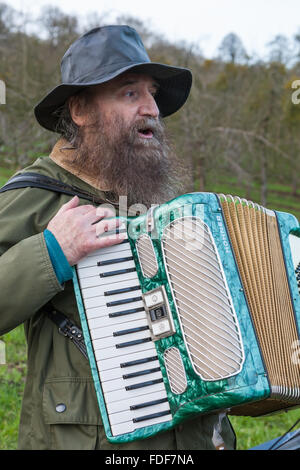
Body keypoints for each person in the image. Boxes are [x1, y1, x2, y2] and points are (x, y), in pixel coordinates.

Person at [0, 25, 236, 450]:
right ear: (80, 110)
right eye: (130, 94)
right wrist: (53, 252)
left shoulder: (155, 204)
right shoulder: (34, 196)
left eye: (152, 94)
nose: (152, 109)